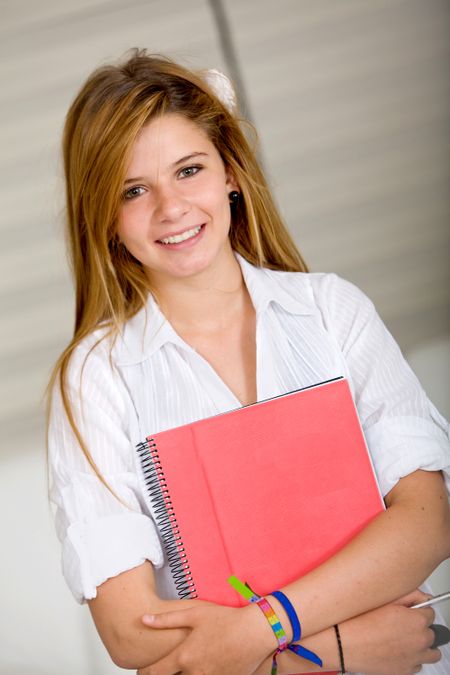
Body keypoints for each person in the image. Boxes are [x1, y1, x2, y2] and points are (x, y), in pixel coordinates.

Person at [47, 49, 450, 674]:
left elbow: (426, 523)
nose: (171, 207)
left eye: (188, 170)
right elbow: (133, 633)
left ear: (230, 171)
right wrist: (339, 652)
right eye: (133, 190)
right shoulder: (95, 376)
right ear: (103, 216)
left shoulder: (332, 311)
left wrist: (264, 627)